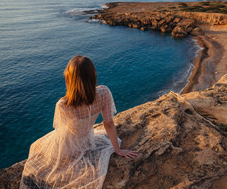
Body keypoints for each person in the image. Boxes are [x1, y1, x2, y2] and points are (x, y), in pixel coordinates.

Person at [20, 55, 138, 189]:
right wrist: (117, 149)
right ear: (93, 75)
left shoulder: (63, 104)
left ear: (69, 79)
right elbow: (109, 123)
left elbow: (62, 133)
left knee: (35, 148)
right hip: (87, 140)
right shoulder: (103, 92)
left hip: (67, 147)